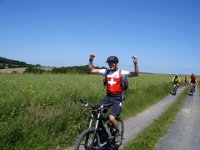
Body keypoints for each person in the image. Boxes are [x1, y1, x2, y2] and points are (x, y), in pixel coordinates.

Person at [88, 54, 139, 145]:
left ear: (116, 63)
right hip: (108, 97)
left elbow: (136, 74)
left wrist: (135, 63)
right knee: (97, 111)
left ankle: (118, 132)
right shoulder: (106, 72)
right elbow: (91, 70)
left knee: (112, 118)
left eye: (113, 63)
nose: (111, 64)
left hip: (117, 98)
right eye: (109, 63)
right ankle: (103, 132)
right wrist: (91, 60)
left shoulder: (121, 72)